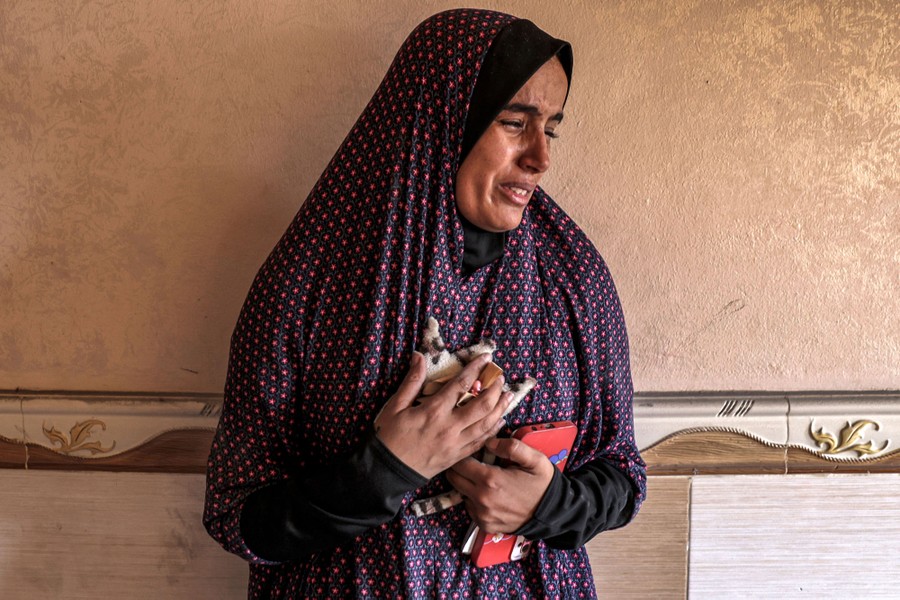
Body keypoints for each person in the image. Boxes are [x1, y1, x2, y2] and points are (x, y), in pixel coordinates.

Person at [204, 8, 646, 598]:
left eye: (552, 128)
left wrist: (553, 504)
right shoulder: (309, 281)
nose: (542, 157)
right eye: (515, 122)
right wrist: (382, 473)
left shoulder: (574, 278)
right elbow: (237, 515)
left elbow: (622, 474)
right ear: (441, 119)